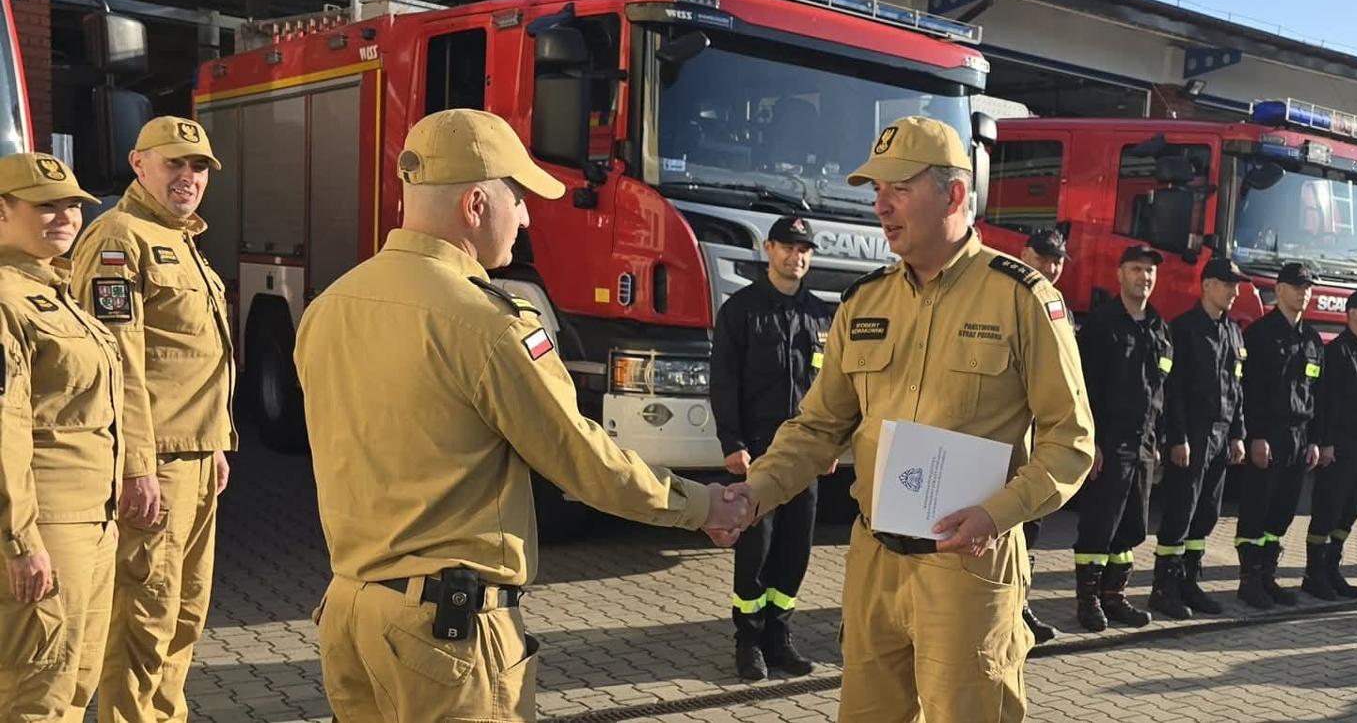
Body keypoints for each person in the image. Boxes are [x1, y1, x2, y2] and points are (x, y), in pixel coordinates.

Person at [293, 109, 748, 721]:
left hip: (348, 613)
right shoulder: (486, 323)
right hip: (443, 634)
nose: (529, 216)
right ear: (476, 205)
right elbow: (580, 459)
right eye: (519, 197)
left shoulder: (330, 306)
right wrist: (700, 507)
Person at [722, 116, 1095, 722]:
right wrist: (756, 492)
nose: (880, 205)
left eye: (897, 188)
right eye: (875, 190)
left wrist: (996, 514)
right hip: (874, 561)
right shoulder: (865, 301)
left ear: (953, 194)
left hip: (969, 564)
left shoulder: (1022, 297)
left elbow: (1071, 442)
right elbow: (817, 427)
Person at [70, 116, 236, 723]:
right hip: (156, 467)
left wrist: (214, 444)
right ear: (139, 164)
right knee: (144, 621)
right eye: (175, 164)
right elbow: (119, 365)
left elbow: (186, 362)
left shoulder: (181, 240)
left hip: (193, 459)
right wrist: (137, 466)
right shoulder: (119, 237)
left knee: (184, 618)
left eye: (199, 168)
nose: (188, 177)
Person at [0, 153, 122, 719]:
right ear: (3, 212)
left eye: (73, 203)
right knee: (37, 691)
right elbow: (5, 430)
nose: (65, 215)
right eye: (45, 205)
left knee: (76, 681)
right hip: (48, 523)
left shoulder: (56, 288)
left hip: (95, 518)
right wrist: (20, 542)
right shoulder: (5, 298)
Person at [710, 215, 836, 679]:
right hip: (758, 455)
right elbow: (723, 380)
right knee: (755, 553)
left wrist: (830, 442)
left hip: (804, 456)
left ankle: (780, 639)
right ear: (768, 249)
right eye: (787, 246)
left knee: (795, 550)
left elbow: (832, 388)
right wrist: (732, 443)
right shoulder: (741, 310)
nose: (796, 256)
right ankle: (749, 644)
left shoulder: (823, 315)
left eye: (804, 249)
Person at [1071, 244, 1168, 631]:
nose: (1144, 277)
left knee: (1131, 527)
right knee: (1099, 523)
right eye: (1136, 269)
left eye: (1149, 271)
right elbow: (1084, 387)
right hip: (1108, 444)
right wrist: (1089, 441)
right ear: (1119, 274)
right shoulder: (1102, 324)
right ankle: (1088, 601)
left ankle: (1115, 597)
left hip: (1143, 444)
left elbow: (1162, 390)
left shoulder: (1159, 327)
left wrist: (1157, 441)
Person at [1150, 258, 1248, 620]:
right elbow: (1173, 391)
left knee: (1206, 512)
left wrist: (1238, 433)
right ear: (1206, 285)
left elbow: (1237, 388)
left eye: (1236, 285)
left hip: (1221, 436)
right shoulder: (1185, 329)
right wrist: (1177, 437)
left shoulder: (1234, 332)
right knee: (1181, 510)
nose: (1234, 292)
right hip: (1192, 434)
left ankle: (1189, 582)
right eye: (1227, 284)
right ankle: (1164, 588)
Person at [1236, 261, 1325, 609]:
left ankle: (1268, 575)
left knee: (1283, 511)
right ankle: (1249, 579)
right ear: (1281, 289)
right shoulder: (1260, 335)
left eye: (1308, 288)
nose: (1305, 293)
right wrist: (1255, 436)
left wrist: (1315, 440)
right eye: (1298, 287)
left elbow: (1317, 393)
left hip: (1299, 436)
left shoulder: (1313, 339)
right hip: (1268, 435)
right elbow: (1251, 390)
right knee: (1257, 507)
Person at [1300, 289, 1357, 601]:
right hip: (1338, 443)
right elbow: (1324, 402)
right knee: (1327, 508)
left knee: (1348, 510)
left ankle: (1332, 566)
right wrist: (1325, 443)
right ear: (1353, 313)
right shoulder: (1336, 353)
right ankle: (1314, 573)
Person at [1016, 226, 1069, 644]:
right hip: (1010, 438)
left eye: (1057, 260)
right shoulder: (1006, 297)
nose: (1050, 268)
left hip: (1042, 440)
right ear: (1025, 254)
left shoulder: (1059, 307)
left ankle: (1021, 606)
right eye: (1043, 258)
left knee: (1032, 527)